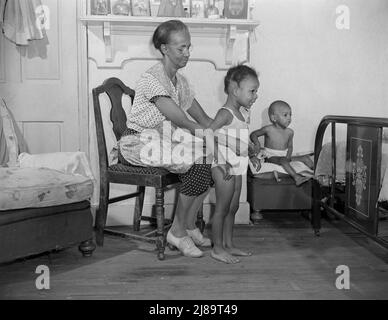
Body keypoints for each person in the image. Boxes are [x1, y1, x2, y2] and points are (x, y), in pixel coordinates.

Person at [118, 20, 217, 258]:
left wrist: (228, 134)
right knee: (198, 162)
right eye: (181, 48)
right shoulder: (153, 79)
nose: (187, 53)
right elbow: (183, 121)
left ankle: (189, 225)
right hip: (137, 144)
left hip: (160, 144)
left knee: (210, 159)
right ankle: (177, 232)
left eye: (189, 47)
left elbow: (203, 118)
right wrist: (211, 137)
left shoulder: (180, 83)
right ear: (164, 48)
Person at [208, 65, 260, 264]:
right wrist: (220, 161)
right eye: (252, 91)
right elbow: (208, 133)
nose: (255, 95)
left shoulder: (243, 113)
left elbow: (239, 139)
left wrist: (252, 154)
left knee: (233, 207)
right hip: (223, 166)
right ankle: (218, 248)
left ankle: (229, 244)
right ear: (235, 90)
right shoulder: (226, 113)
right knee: (222, 208)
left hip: (238, 166)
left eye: (256, 91)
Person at [249, 100, 313, 186]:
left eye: (290, 115)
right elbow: (253, 134)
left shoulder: (290, 132)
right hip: (271, 156)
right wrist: (257, 144)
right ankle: (297, 177)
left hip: (284, 156)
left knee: (306, 158)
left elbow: (290, 147)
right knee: (283, 161)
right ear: (274, 118)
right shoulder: (268, 129)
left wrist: (288, 156)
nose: (289, 118)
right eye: (285, 115)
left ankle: (318, 175)